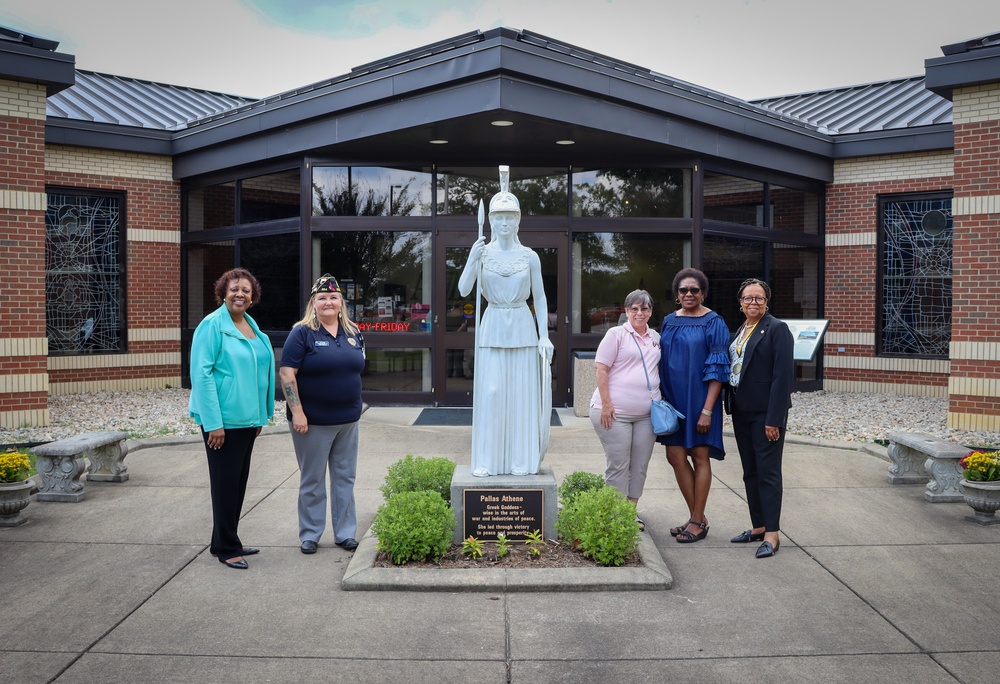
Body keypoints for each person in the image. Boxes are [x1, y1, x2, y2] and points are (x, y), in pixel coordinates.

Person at [458, 167, 553, 477]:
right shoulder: (482, 253)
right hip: (493, 324)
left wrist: (544, 336)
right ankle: (488, 459)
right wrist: (472, 259)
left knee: (522, 396)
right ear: (492, 221)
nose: (502, 223)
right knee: (492, 394)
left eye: (509, 217)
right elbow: (463, 290)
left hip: (523, 327)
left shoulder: (530, 257)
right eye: (498, 217)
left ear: (517, 221)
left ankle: (520, 460)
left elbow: (539, 298)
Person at [189, 268, 275, 570]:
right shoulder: (212, 326)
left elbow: (258, 371)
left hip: (246, 420)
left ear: (253, 297)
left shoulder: (250, 326)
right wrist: (213, 422)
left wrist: (260, 415)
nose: (240, 294)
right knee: (225, 484)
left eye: (246, 290)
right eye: (235, 289)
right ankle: (227, 548)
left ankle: (224, 539)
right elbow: (201, 374)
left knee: (237, 483)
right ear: (223, 292)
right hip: (222, 423)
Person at [279, 274, 366, 554]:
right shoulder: (302, 333)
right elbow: (287, 373)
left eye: (333, 297)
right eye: (322, 298)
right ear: (313, 304)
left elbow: (356, 368)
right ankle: (311, 534)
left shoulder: (353, 333)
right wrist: (298, 412)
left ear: (341, 302)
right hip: (312, 422)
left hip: (348, 421)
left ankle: (345, 533)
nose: (328, 302)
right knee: (312, 480)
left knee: (345, 478)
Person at [658, 268, 730, 543]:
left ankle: (697, 520)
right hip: (672, 402)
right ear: (677, 294)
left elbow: (718, 370)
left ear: (703, 293)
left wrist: (708, 410)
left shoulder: (714, 323)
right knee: (675, 456)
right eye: (683, 290)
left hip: (701, 401)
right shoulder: (668, 321)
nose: (689, 294)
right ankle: (695, 517)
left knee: (699, 457)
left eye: (694, 290)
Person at [725, 278, 794, 559]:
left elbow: (783, 377)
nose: (753, 302)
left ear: (767, 302)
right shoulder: (741, 329)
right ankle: (758, 525)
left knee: (768, 473)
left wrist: (774, 419)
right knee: (750, 471)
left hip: (766, 415)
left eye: (759, 298)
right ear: (740, 303)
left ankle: (772, 534)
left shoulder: (777, 329)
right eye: (748, 298)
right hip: (742, 412)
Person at [589, 289, 660, 530]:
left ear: (651, 311)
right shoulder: (615, 334)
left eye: (645, 308)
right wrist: (607, 405)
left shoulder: (656, 338)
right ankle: (614, 514)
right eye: (635, 309)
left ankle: (630, 511)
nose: (640, 313)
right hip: (614, 412)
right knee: (618, 464)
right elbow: (601, 370)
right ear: (627, 311)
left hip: (647, 415)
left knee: (640, 464)